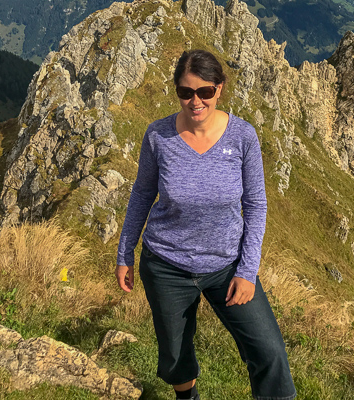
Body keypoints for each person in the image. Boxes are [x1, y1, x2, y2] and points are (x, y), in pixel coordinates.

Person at [116, 49, 296, 400]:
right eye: (185, 92)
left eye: (205, 92)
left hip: (226, 265)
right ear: (177, 92)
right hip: (166, 264)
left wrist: (247, 271)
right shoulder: (158, 137)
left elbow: (256, 205)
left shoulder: (242, 137)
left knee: (268, 351)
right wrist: (125, 252)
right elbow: (141, 195)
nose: (195, 101)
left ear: (220, 89)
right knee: (175, 355)